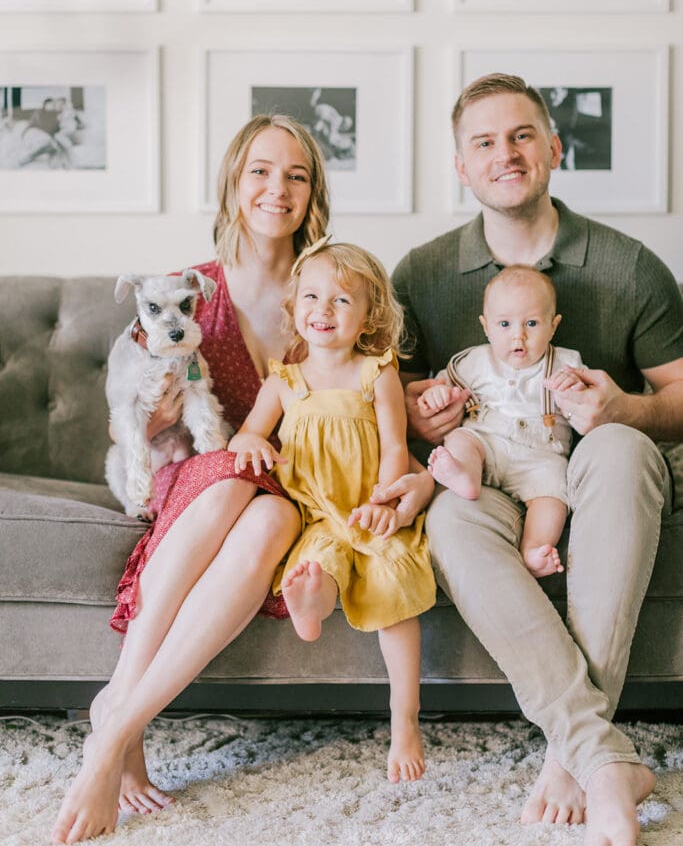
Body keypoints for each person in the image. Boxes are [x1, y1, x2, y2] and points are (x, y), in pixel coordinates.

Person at [49, 116, 436, 845]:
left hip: (293, 493)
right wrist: (159, 414)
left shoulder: (331, 290)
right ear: (234, 181)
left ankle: (117, 722)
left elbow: (377, 398)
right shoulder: (187, 291)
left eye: (295, 175)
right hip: (198, 481)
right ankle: (121, 717)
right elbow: (120, 423)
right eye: (260, 170)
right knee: (232, 481)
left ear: (312, 192)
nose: (276, 188)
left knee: (270, 516)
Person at [392, 73, 683, 846]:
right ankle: (597, 755)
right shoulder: (419, 274)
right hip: (487, 471)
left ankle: (572, 756)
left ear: (553, 148)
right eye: (483, 142)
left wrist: (622, 408)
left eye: (521, 135)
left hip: (593, 472)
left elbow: (680, 397)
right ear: (460, 166)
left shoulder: (626, 265)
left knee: (619, 447)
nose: (505, 154)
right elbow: (384, 392)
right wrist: (424, 406)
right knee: (451, 515)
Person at [229, 240, 436, 784]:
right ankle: (311, 601)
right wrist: (252, 444)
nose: (324, 309)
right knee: (318, 562)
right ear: (295, 306)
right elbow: (249, 431)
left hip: (371, 508)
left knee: (393, 582)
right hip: (317, 512)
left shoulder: (377, 372)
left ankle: (405, 719)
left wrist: (386, 498)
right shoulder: (285, 380)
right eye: (313, 297)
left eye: (343, 301)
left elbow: (396, 445)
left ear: (369, 317)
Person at [421, 265, 584, 578]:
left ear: (553, 326)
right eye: (505, 324)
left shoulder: (565, 364)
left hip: (540, 457)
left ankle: (534, 550)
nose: (518, 335)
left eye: (532, 324)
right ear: (486, 326)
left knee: (553, 495)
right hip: (487, 444)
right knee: (460, 440)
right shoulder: (474, 361)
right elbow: (444, 388)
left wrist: (576, 392)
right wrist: (437, 397)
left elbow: (586, 406)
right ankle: (464, 476)